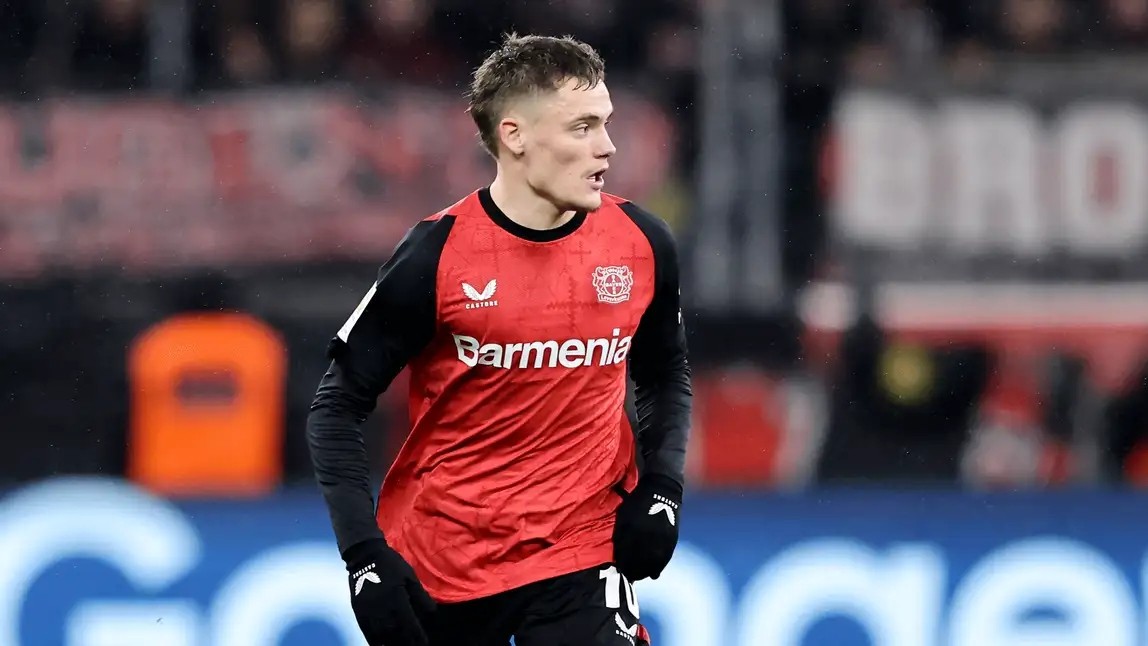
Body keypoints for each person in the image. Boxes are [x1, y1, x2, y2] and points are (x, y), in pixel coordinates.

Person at [306, 32, 691, 646]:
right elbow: (336, 407)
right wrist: (364, 557)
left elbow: (665, 373)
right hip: (443, 562)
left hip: (580, 551)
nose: (608, 146)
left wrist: (663, 489)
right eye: (583, 127)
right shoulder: (436, 255)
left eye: (606, 123)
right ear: (514, 136)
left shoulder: (641, 243)